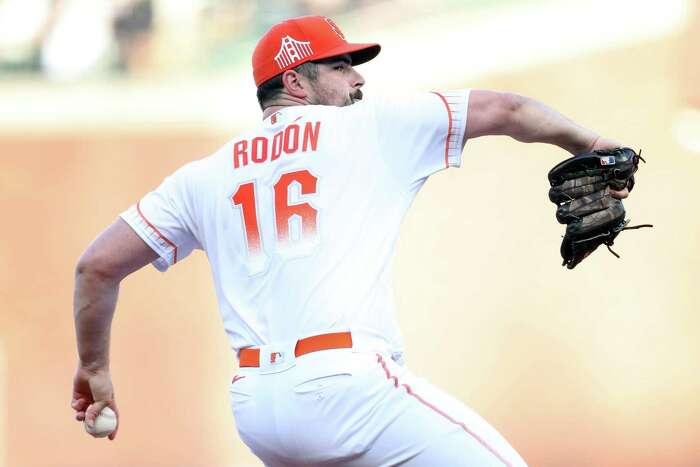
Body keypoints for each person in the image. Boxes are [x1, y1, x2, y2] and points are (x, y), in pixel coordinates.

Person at [71, 15, 629, 466]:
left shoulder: (203, 175)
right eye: (340, 66)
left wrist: (94, 369)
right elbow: (507, 109)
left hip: (257, 408)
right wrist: (593, 141)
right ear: (295, 82)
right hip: (346, 390)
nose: (359, 79)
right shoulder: (369, 125)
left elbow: (96, 267)